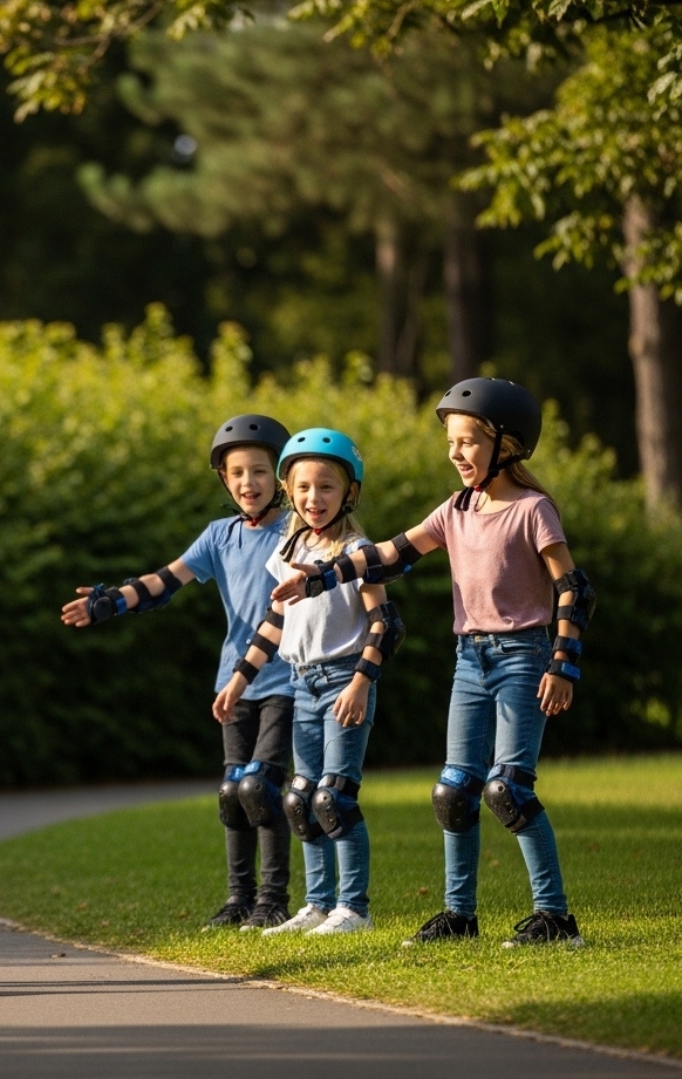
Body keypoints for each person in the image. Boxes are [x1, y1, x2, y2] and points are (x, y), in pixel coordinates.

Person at [271, 379, 593, 947]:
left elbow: (572, 587)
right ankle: (458, 916)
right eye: (452, 442)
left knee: (508, 789)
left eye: (468, 441)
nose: (457, 454)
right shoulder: (456, 510)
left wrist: (563, 662)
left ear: (508, 444)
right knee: (453, 790)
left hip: (523, 656)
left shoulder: (531, 509)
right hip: (469, 659)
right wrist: (316, 577)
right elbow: (388, 554)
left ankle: (556, 918)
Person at [61, 415, 296, 930]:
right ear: (224, 480)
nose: (247, 483)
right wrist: (110, 602)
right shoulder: (221, 535)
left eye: (259, 472)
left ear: (279, 478)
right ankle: (239, 900)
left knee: (261, 787)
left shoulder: (297, 531)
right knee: (234, 790)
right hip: (231, 681)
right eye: (236, 473)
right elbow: (167, 580)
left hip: (286, 679)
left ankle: (272, 900)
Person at [214, 429, 403, 936]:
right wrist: (239, 679)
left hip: (344, 680)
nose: (312, 499)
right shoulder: (290, 546)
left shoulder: (357, 550)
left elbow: (387, 625)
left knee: (334, 797)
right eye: (301, 488)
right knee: (300, 796)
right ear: (288, 490)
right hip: (301, 684)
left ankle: (353, 908)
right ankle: (317, 905)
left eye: (325, 488)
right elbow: (274, 624)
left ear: (349, 493)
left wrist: (362, 682)